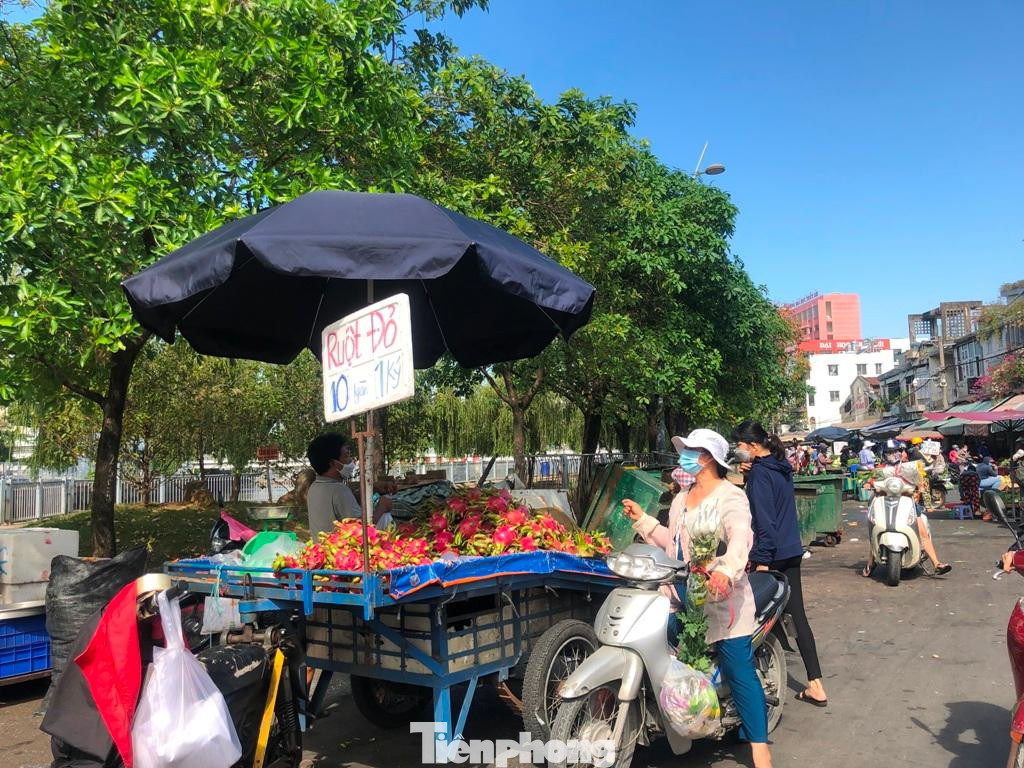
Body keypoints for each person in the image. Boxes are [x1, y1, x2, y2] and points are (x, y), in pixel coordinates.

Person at [622, 428, 772, 768]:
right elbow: (672, 544)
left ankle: (760, 749)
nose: (683, 457)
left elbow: (740, 539)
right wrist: (642, 520)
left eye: (689, 451)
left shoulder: (730, 496)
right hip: (679, 593)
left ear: (706, 458)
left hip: (721, 596)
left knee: (737, 665)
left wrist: (726, 571)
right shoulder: (680, 499)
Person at [732, 420, 828, 708]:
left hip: (770, 555)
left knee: (753, 619)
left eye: (739, 445)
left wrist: (761, 563)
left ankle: (750, 688)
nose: (737, 451)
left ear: (751, 445)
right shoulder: (779, 466)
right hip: (790, 550)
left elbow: (765, 521)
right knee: (797, 616)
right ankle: (816, 685)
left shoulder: (761, 473)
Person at [862, 439, 952, 576]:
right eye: (889, 452)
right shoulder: (880, 469)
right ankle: (871, 562)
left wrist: (920, 487)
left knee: (922, 531)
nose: (893, 454)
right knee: (876, 528)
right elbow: (871, 481)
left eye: (895, 451)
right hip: (884, 502)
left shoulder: (910, 467)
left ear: (901, 452)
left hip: (907, 502)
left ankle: (936, 563)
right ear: (884, 454)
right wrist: (869, 484)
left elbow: (920, 482)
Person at [305, 433, 394, 539]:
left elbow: (342, 503)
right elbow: (359, 530)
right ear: (333, 463)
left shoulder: (314, 487)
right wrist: (382, 507)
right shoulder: (338, 489)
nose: (351, 460)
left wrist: (372, 489)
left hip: (319, 548)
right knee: (385, 517)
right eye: (346, 456)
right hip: (339, 551)